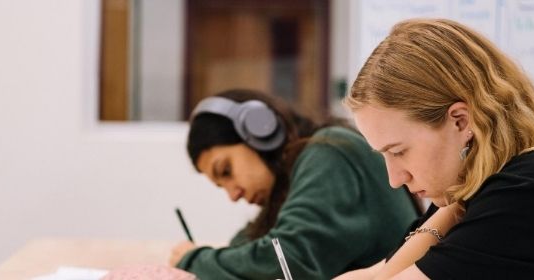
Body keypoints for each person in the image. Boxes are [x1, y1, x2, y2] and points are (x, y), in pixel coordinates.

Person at [335, 18, 534, 279]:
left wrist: (451, 209)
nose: (395, 179)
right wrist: (451, 209)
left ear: (461, 121)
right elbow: (379, 274)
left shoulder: (531, 189)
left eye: (398, 152)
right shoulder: (470, 184)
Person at [168, 89, 419, 279]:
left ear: (259, 130)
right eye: (220, 186)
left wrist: (193, 259)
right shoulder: (300, 172)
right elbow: (247, 246)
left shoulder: (330, 152)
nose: (232, 195)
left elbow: (289, 260)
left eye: (226, 171)